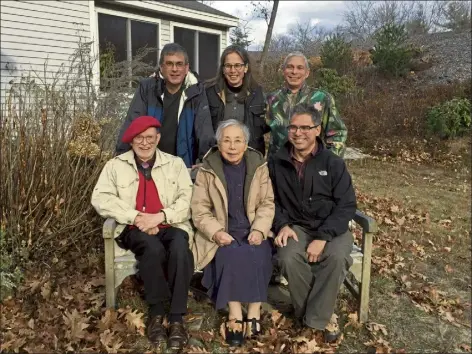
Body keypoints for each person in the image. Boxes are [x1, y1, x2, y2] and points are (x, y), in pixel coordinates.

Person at [92, 116, 194, 350]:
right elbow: (101, 198)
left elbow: (186, 200)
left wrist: (161, 217)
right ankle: (157, 314)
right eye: (139, 138)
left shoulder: (175, 164)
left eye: (150, 138)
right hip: (133, 228)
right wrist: (136, 217)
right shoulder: (116, 166)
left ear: (158, 138)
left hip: (170, 224)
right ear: (131, 141)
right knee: (152, 248)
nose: (145, 143)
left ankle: (177, 318)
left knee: (180, 247)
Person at [268, 103, 356, 343]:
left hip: (331, 227)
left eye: (305, 127)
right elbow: (269, 201)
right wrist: (282, 224)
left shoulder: (332, 163)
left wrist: (323, 236)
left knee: (336, 258)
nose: (298, 133)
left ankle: (312, 319)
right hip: (296, 226)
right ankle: (323, 316)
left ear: (317, 130)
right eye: (293, 127)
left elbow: (346, 204)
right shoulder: (277, 163)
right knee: (287, 256)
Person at [190, 119, 275, 346]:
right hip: (222, 230)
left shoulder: (258, 165)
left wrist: (259, 229)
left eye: (238, 140)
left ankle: (254, 310)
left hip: (252, 227)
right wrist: (216, 232)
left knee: (259, 252)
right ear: (218, 143)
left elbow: (267, 203)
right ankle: (235, 312)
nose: (232, 146)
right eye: (226, 140)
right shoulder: (208, 169)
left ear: (246, 144)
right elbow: (199, 210)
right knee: (230, 254)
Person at [115, 43, 214, 168]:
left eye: (179, 64)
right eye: (169, 64)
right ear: (161, 67)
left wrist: (207, 163)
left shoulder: (197, 93)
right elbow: (132, 125)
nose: (174, 69)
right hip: (149, 165)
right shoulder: (147, 89)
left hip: (183, 166)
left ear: (186, 68)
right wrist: (121, 161)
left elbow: (204, 132)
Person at [266, 51, 347, 160]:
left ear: (307, 73)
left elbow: (337, 134)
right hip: (278, 165)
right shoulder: (272, 99)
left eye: (300, 68)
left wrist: (329, 163)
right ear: (283, 70)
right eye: (290, 67)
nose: (294, 72)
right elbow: (256, 130)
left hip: (312, 165)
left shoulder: (322, 98)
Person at [205, 45, 269, 156]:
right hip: (217, 158)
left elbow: (266, 126)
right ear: (223, 69)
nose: (233, 70)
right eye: (228, 66)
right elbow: (202, 131)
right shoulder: (210, 93)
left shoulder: (258, 94)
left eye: (237, 65)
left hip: (250, 158)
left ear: (246, 67)